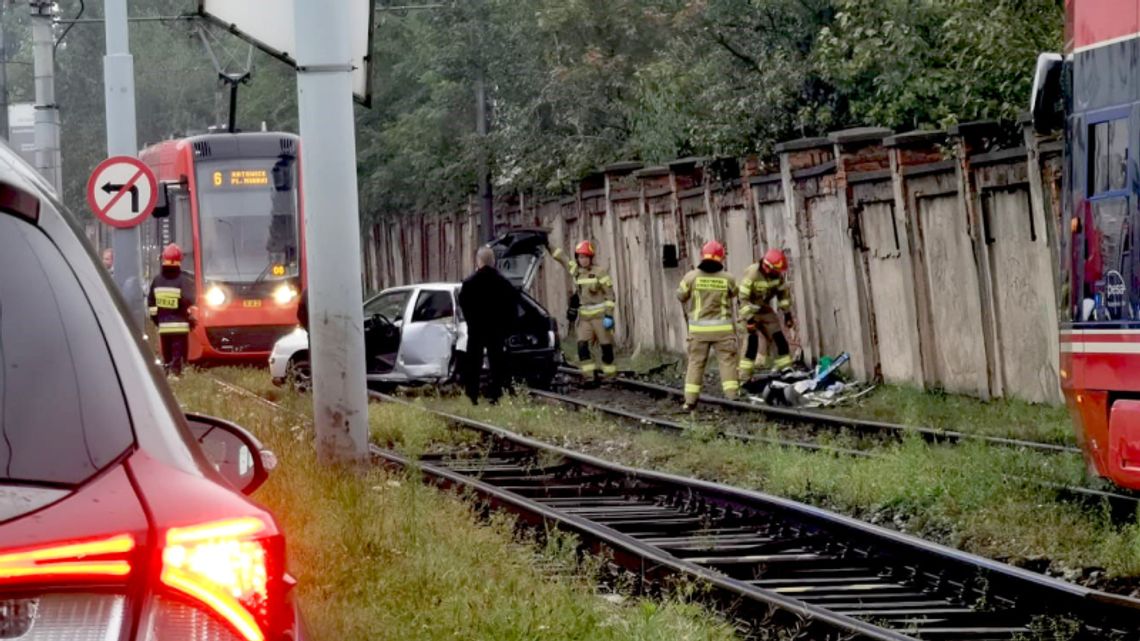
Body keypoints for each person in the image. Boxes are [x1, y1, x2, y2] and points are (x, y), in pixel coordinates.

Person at [677, 240, 739, 410]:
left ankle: (690, 401)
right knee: (727, 363)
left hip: (699, 332)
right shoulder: (728, 278)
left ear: (702, 256)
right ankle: (732, 398)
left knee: (695, 363)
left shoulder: (691, 277)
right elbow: (735, 293)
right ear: (722, 258)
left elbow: (681, 296)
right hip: (723, 331)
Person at [547, 239, 617, 381]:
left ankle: (610, 376)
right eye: (580, 257)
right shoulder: (577, 271)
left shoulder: (600, 272)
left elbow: (610, 295)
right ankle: (589, 377)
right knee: (582, 347)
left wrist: (609, 316)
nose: (582, 260)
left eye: (585, 257)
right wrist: (548, 244)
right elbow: (562, 258)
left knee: (606, 348)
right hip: (585, 319)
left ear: (591, 258)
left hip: (600, 318)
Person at [457, 246, 519, 405]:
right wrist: (506, 327)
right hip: (496, 330)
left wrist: (471, 321)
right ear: (493, 262)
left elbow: (463, 303)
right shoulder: (503, 283)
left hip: (476, 329)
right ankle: (496, 395)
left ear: (479, 261)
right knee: (497, 362)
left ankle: (472, 396)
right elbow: (513, 305)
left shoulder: (469, 283)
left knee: (473, 363)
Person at [737, 248, 794, 380]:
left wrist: (787, 314)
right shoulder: (752, 273)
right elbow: (742, 298)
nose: (777, 273)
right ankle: (744, 377)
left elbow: (783, 295)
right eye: (775, 270)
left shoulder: (777, 276)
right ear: (767, 266)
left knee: (778, 338)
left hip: (764, 309)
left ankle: (785, 370)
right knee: (752, 342)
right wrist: (749, 320)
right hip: (749, 310)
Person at [147, 243, 197, 377]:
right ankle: (176, 375)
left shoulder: (157, 281)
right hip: (180, 327)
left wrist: (157, 321)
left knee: (167, 355)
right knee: (178, 355)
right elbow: (190, 301)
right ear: (179, 261)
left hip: (163, 327)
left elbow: (151, 304)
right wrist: (189, 318)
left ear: (163, 259)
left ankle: (167, 374)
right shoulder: (184, 281)